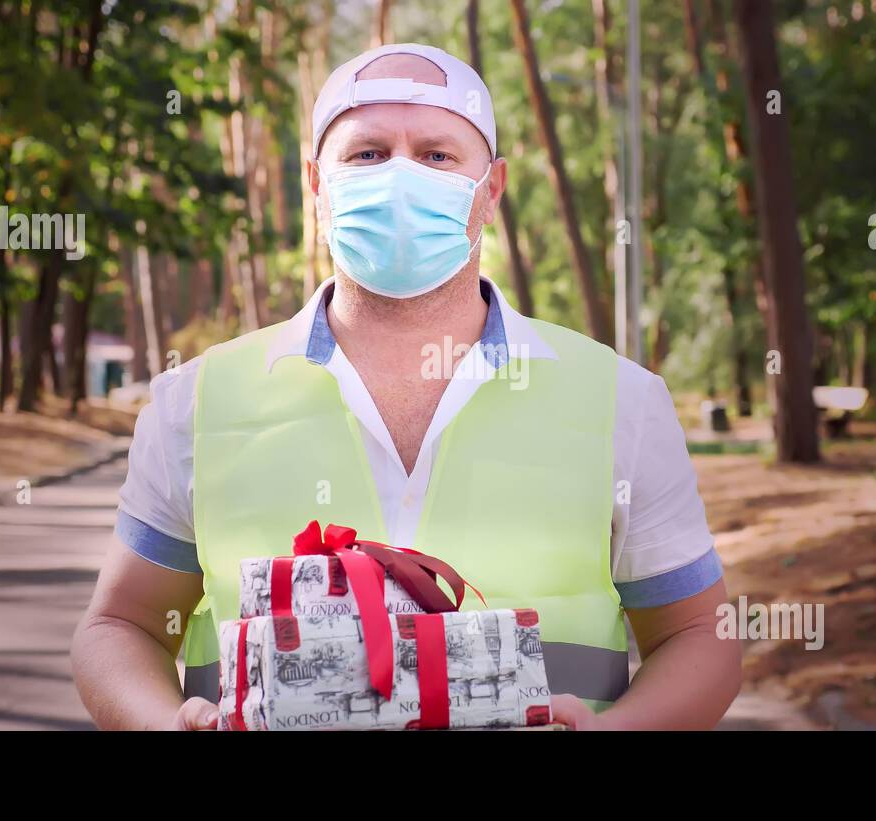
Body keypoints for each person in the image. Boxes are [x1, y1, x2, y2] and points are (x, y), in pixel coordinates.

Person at [71, 43, 740, 730]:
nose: (399, 177)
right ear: (315, 184)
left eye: (436, 155)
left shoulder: (621, 400)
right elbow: (122, 624)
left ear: (493, 189)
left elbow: (700, 635)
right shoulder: (196, 402)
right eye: (367, 153)